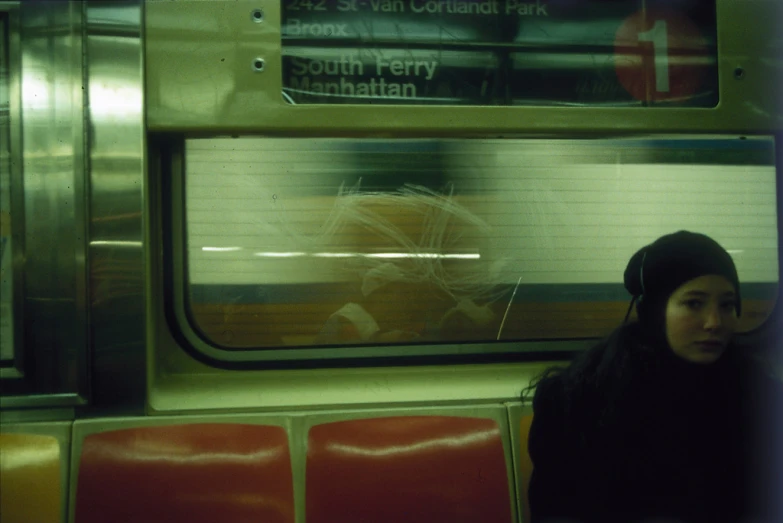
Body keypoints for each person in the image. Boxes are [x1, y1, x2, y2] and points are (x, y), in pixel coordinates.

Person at [525, 231, 783, 523]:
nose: (714, 322)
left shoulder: (758, 394)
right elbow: (556, 510)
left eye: (726, 305)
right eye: (694, 303)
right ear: (656, 311)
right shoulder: (578, 399)